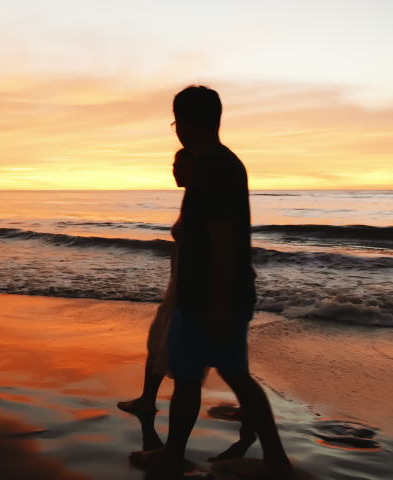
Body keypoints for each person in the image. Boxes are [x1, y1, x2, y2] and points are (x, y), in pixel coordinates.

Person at [130, 85, 293, 480]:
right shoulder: (221, 163)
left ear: (185, 122)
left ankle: (179, 455)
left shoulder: (213, 168)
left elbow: (222, 238)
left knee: (204, 377)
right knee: (218, 375)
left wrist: (218, 304)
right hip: (215, 294)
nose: (177, 131)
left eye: (176, 123)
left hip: (208, 297)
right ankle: (271, 460)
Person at [116, 148, 193, 416]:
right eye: (174, 165)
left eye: (182, 166)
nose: (175, 170)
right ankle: (147, 399)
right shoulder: (191, 196)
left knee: (176, 348)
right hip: (179, 285)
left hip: (189, 288)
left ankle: (252, 409)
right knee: (159, 340)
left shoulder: (201, 199)